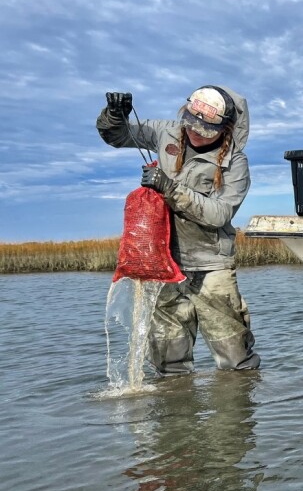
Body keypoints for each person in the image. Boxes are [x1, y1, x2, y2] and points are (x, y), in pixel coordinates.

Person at [97, 85, 260, 374]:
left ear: (225, 127)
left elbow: (219, 213)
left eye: (206, 128)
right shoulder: (165, 131)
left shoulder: (236, 163)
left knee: (236, 361)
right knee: (168, 361)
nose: (196, 132)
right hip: (163, 264)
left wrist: (169, 187)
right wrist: (115, 115)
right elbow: (119, 136)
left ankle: (236, 415)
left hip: (212, 266)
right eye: (191, 122)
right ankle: (177, 414)